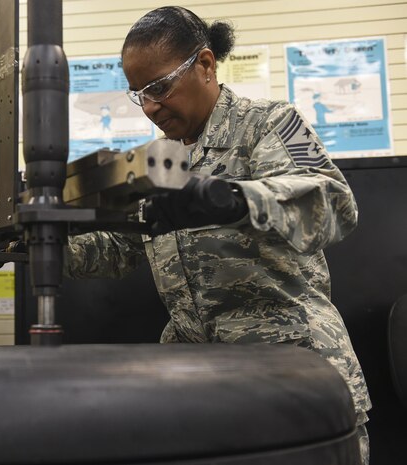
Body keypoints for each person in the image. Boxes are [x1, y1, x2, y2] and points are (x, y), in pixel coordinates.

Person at [65, 6, 372, 464]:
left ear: (205, 65)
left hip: (292, 381)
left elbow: (332, 205)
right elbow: (118, 248)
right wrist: (30, 243)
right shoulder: (158, 160)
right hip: (195, 388)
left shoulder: (268, 123)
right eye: (137, 95)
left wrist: (229, 198)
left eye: (159, 88)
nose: (149, 107)